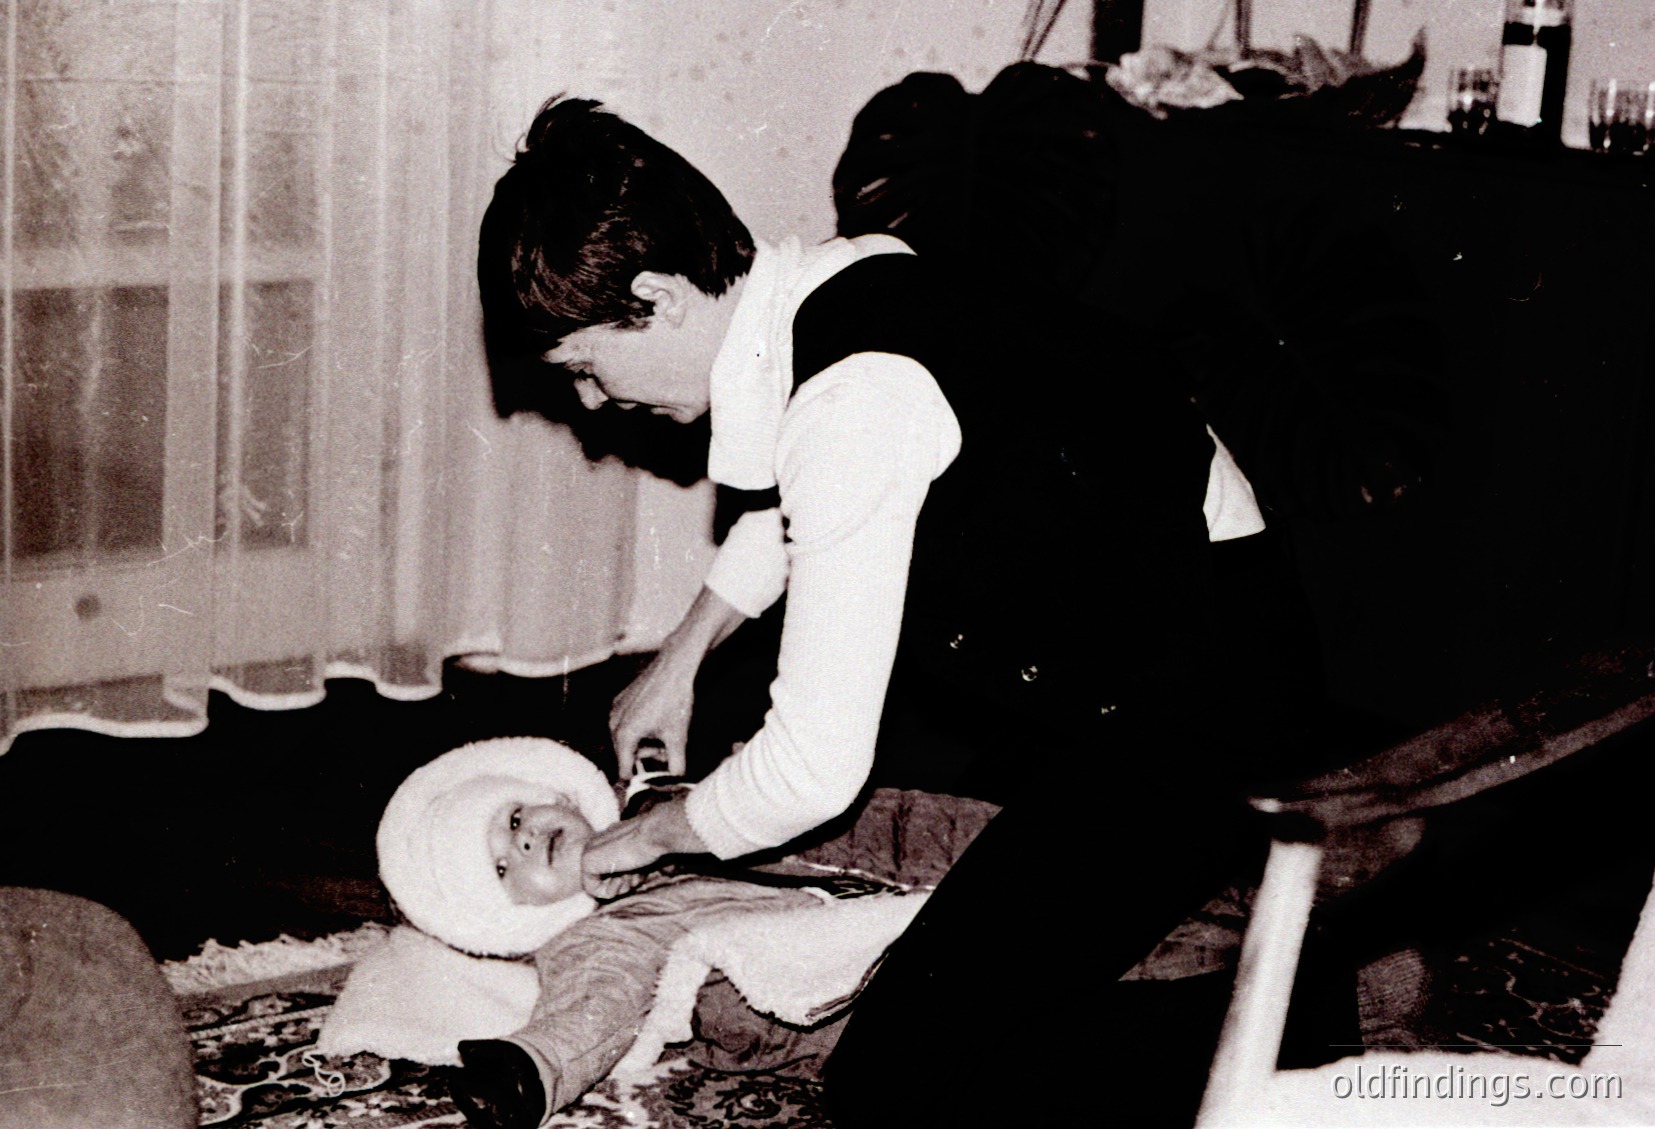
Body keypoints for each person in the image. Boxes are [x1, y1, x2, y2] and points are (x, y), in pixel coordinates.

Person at [476, 92, 1313, 1127]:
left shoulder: (850, 400)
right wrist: (683, 652)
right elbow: (797, 507)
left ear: (655, 296)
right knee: (987, 920)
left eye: (583, 366)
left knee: (895, 1082)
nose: (594, 406)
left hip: (1207, 703)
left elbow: (811, 768)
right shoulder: (835, 281)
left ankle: (1300, 1031)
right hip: (1164, 643)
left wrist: (649, 836)